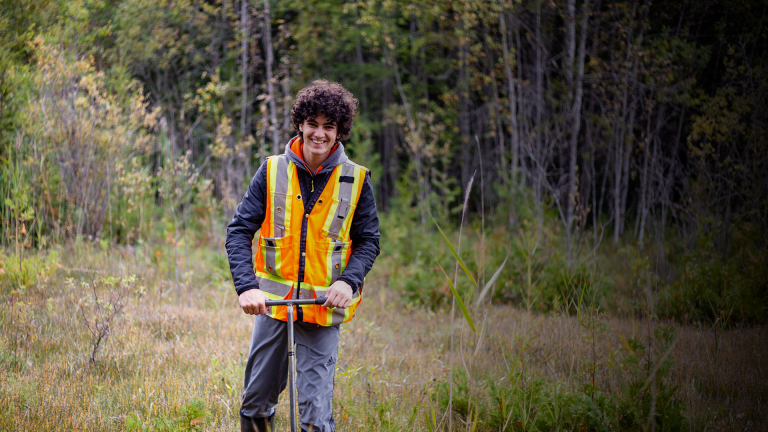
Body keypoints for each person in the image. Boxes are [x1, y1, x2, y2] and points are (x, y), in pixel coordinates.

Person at [225, 79, 380, 432]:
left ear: (340, 131)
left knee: (313, 416)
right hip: (274, 306)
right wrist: (246, 287)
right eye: (313, 124)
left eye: (329, 126)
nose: (319, 134)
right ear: (300, 124)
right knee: (256, 402)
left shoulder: (356, 180)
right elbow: (238, 230)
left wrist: (348, 281)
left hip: (324, 307)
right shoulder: (271, 169)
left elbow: (369, 240)